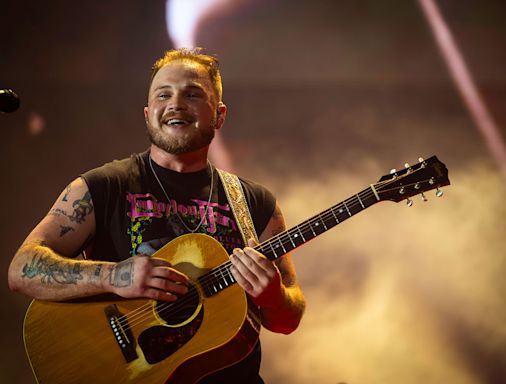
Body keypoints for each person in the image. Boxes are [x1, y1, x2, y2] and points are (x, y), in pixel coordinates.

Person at [8, 48, 305, 383]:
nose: (176, 103)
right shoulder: (103, 186)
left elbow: (287, 320)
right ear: (148, 113)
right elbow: (22, 269)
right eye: (164, 94)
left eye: (192, 94)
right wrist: (113, 277)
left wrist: (274, 297)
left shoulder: (255, 202)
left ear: (219, 116)